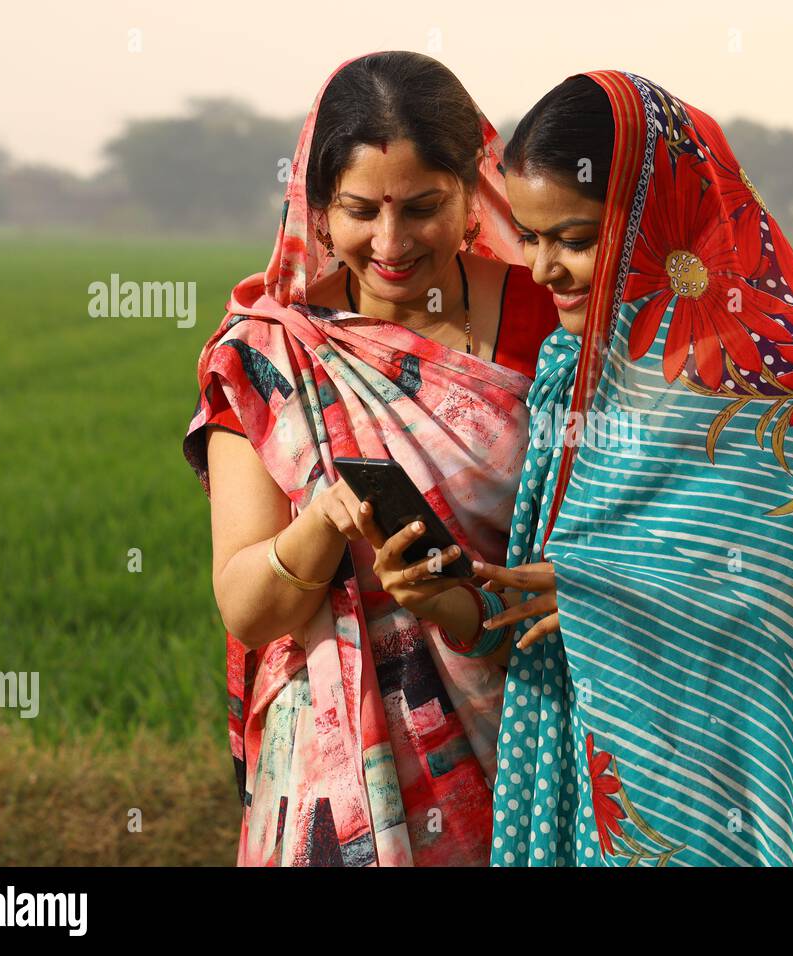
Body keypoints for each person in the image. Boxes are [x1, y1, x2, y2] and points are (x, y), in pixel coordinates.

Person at [470, 72, 793, 865]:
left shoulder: (785, 371)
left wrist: (604, 599)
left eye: (574, 239)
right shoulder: (570, 363)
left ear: (660, 220)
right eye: (529, 238)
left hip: (746, 760)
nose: (542, 270)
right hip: (600, 746)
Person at [181, 51, 558, 866]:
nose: (390, 243)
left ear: (473, 194)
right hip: (342, 767)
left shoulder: (548, 315)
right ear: (317, 210)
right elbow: (247, 607)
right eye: (358, 210)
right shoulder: (272, 352)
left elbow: (617, 530)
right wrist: (320, 524)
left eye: (422, 207)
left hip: (534, 726)